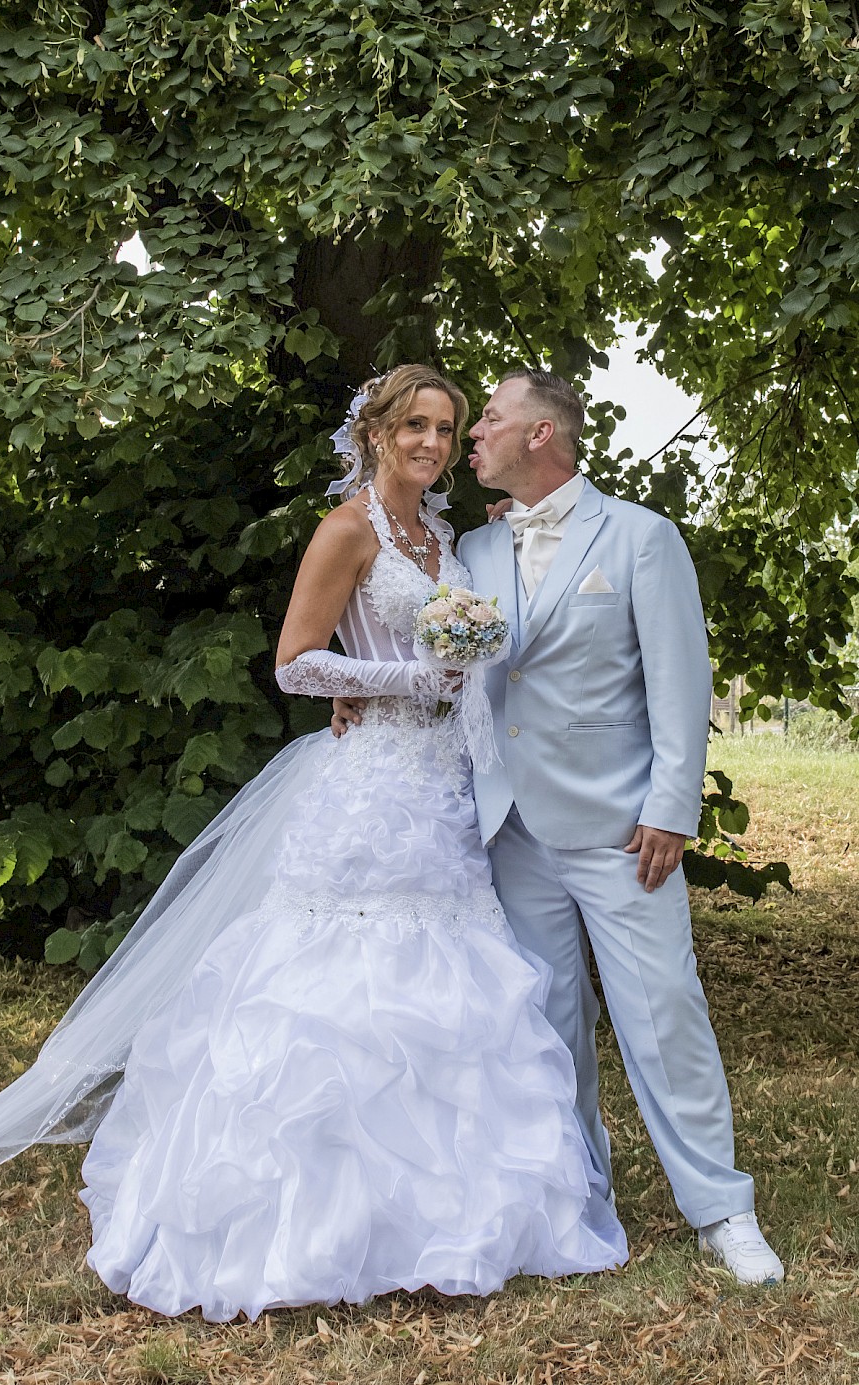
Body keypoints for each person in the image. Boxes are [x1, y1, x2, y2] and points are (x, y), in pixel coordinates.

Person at [0, 365, 626, 1321]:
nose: (434, 444)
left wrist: (449, 681)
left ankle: (446, 1220)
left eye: (448, 429)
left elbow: (458, 667)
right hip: (371, 792)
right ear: (379, 433)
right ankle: (308, 1225)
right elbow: (295, 663)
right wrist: (397, 681)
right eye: (417, 426)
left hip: (447, 796)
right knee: (335, 999)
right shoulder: (349, 530)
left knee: (450, 995)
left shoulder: (448, 539)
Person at [335, 367, 783, 1286]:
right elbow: (444, 660)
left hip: (623, 830)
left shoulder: (641, 539)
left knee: (663, 1013)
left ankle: (723, 1210)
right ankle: (578, 1197)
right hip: (506, 827)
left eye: (487, 420)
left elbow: (679, 681)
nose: (471, 439)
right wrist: (355, 691)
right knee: (544, 1023)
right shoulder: (478, 552)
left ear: (541, 435)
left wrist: (672, 807)